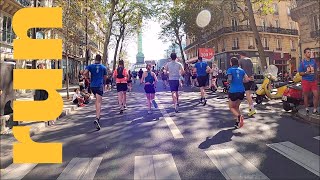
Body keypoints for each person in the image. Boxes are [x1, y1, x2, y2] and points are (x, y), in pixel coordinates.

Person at [84, 54, 107, 130]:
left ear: (95, 59)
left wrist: (87, 78)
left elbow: (85, 73)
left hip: (92, 86)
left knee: (96, 100)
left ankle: (97, 113)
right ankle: (97, 118)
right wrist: (104, 85)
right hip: (99, 86)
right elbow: (105, 78)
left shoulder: (90, 66)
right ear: (101, 60)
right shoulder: (103, 67)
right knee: (99, 101)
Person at [227, 57, 250, 129]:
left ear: (231, 63)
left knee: (231, 107)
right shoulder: (242, 70)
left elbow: (230, 80)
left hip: (233, 91)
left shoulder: (230, 70)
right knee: (236, 107)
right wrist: (240, 81)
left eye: (230, 62)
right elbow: (247, 80)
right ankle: (238, 122)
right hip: (241, 91)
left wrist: (228, 81)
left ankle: (239, 116)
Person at [298, 48, 319, 115]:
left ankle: (315, 110)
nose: (309, 54)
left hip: (313, 81)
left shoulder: (313, 61)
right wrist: (306, 72)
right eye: (308, 52)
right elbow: (300, 73)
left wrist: (316, 77)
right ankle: (306, 108)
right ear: (305, 54)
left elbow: (316, 70)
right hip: (306, 81)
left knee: (316, 95)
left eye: (310, 52)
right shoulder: (302, 63)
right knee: (306, 95)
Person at [239, 51, 256, 117]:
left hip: (245, 79)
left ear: (241, 55)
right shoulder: (250, 60)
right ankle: (251, 108)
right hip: (251, 78)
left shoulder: (241, 60)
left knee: (247, 94)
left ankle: (252, 109)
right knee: (249, 94)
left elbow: (240, 70)